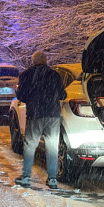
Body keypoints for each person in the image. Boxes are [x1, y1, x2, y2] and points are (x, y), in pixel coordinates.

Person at [14, 51, 66, 189]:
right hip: (52, 115)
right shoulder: (54, 75)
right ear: (46, 61)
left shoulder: (26, 75)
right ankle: (53, 179)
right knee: (52, 147)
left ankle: (26, 177)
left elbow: (22, 96)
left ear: (33, 61)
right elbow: (62, 94)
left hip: (35, 115)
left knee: (30, 146)